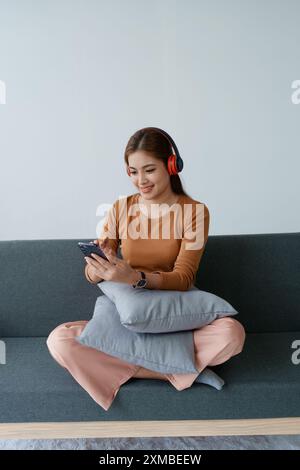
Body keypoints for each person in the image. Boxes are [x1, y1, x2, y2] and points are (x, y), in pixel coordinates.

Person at [46, 127, 246, 411]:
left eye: (149, 170)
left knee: (231, 335)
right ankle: (179, 371)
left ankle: (132, 364)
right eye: (132, 172)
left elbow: (184, 277)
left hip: (173, 313)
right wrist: (98, 265)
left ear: (171, 165)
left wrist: (136, 278)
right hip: (128, 315)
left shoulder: (195, 212)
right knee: (59, 341)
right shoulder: (120, 208)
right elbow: (91, 277)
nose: (141, 181)